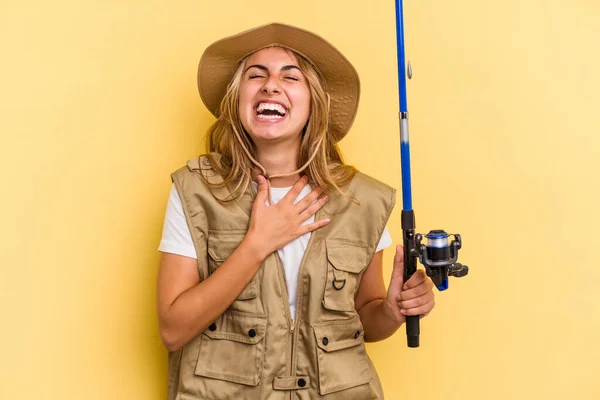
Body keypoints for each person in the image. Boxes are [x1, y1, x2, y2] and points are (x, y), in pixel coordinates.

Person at [156, 23, 435, 400]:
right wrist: (257, 244)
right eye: (257, 75)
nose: (271, 85)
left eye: (291, 77)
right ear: (237, 98)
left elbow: (365, 320)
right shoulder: (195, 192)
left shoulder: (361, 200)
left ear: (313, 102)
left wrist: (391, 310)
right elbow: (173, 329)